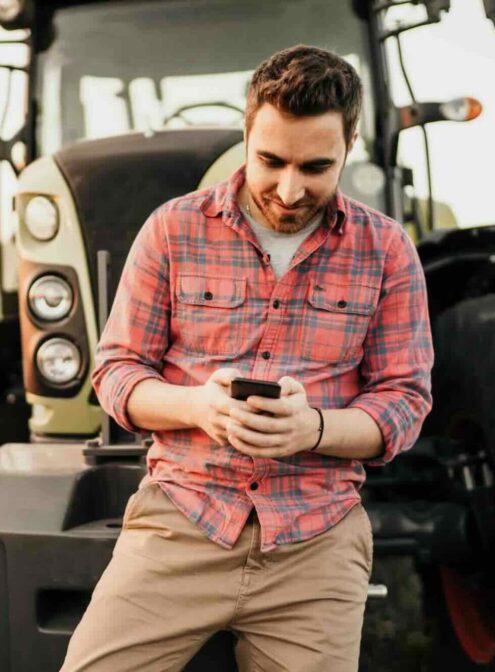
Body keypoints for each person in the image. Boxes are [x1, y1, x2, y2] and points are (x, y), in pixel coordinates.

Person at [61, 45, 434, 672]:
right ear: (247, 132)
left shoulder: (388, 250)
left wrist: (311, 428)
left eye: (316, 167)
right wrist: (199, 407)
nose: (290, 190)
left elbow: (405, 401)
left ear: (349, 147)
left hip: (316, 538)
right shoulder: (171, 229)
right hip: (181, 521)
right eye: (271, 161)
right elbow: (116, 371)